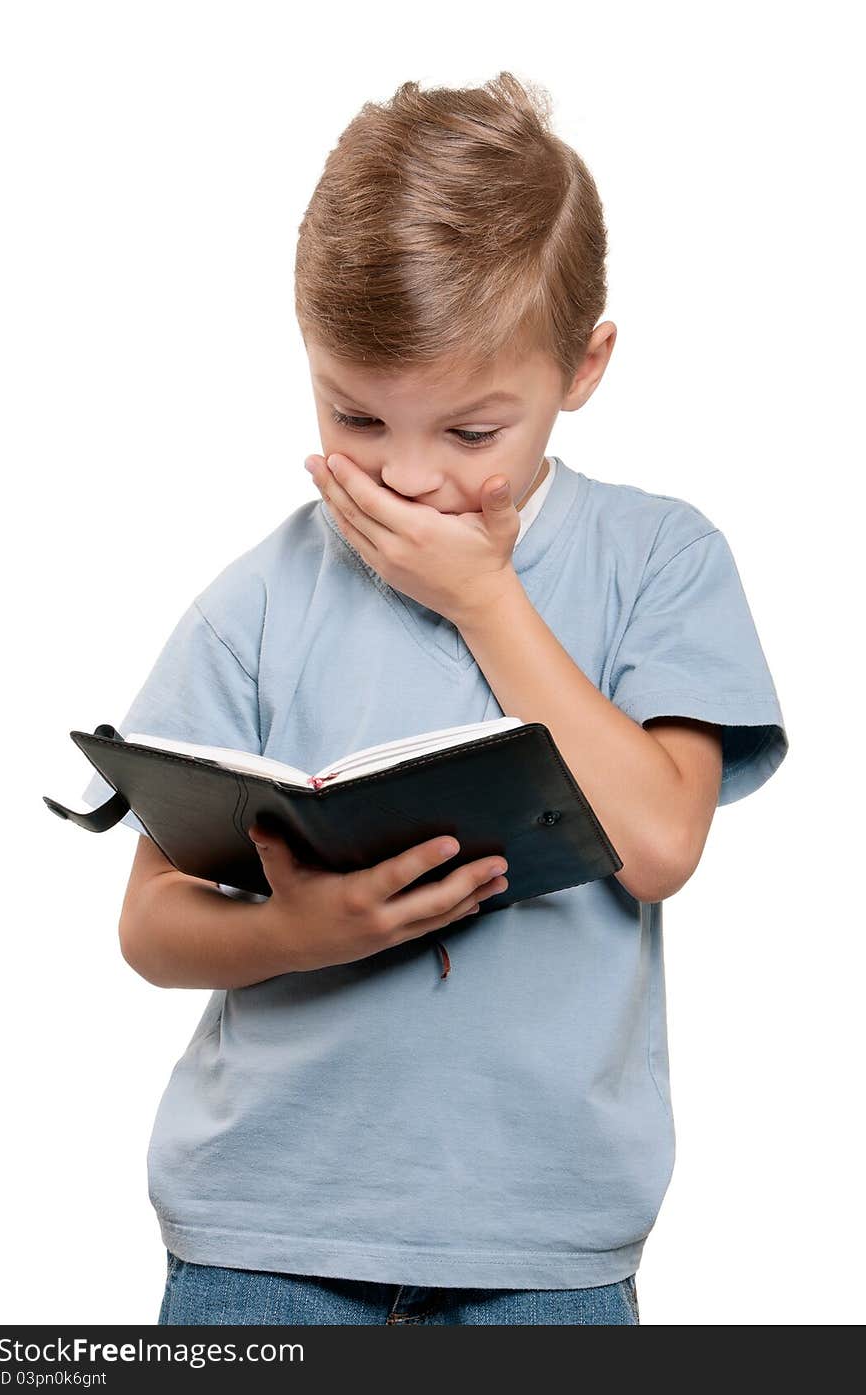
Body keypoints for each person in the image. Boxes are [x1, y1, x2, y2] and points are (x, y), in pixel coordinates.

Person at [80, 72, 788, 1327]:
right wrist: (304, 934)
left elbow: (662, 842)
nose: (408, 477)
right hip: (263, 1227)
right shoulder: (256, 597)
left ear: (583, 367)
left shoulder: (659, 559)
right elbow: (148, 924)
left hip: (543, 1245)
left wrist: (485, 599)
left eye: (471, 434)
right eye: (356, 416)